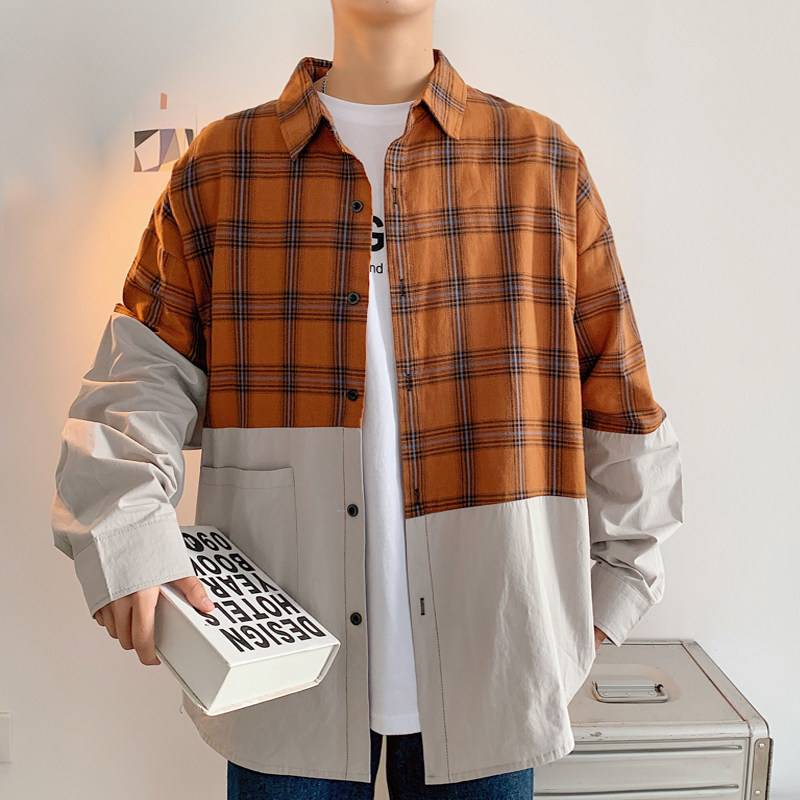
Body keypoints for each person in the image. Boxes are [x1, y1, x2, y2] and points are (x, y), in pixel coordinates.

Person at [51, 1, 684, 798]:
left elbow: (619, 400)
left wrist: (611, 590)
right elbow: (136, 385)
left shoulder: (540, 163)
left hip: (494, 656)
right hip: (281, 668)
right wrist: (128, 537)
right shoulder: (221, 169)